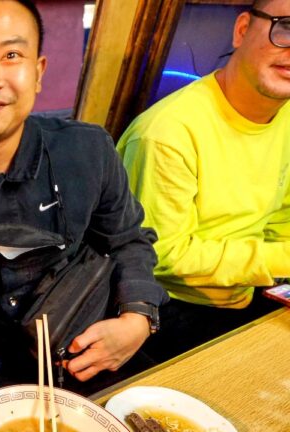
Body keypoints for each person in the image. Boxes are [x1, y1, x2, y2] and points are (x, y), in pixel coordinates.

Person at [0, 0, 167, 394]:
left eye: (11, 55)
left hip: (81, 364)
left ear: (37, 72)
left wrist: (138, 317)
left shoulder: (87, 152)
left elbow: (128, 241)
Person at [117, 0, 289, 362]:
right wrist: (280, 260)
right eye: (285, 27)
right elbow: (162, 256)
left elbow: (281, 221)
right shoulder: (165, 133)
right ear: (242, 29)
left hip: (252, 294)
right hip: (164, 311)